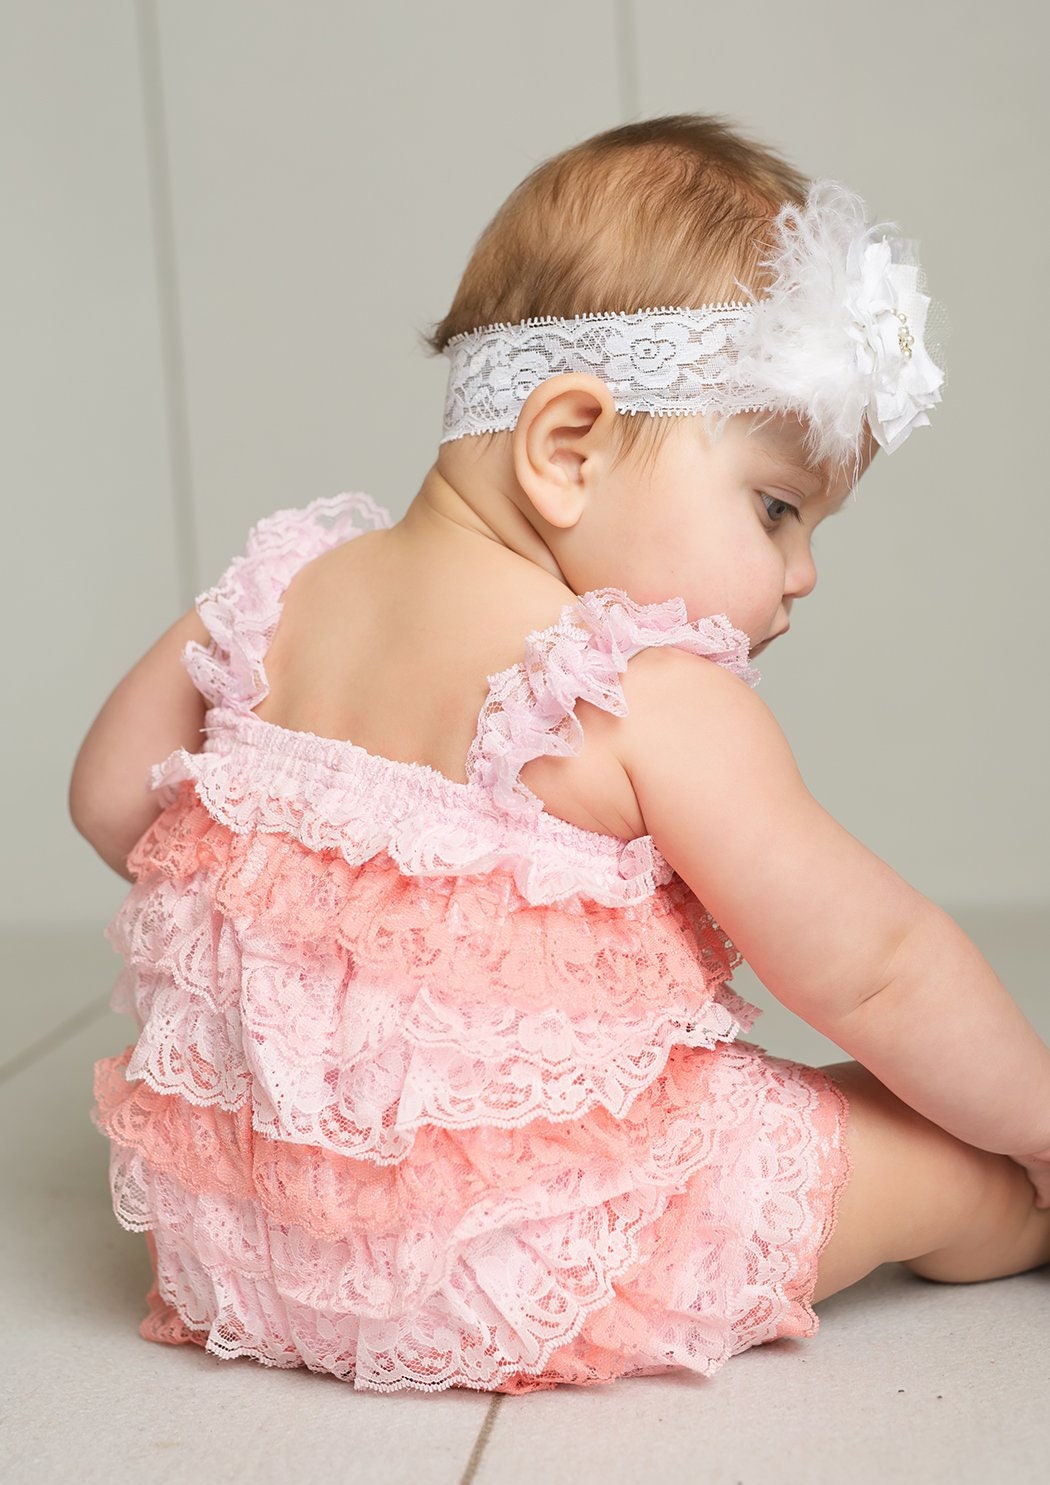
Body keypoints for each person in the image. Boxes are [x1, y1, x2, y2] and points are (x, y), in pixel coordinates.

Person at [71, 114, 1050, 1397]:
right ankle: (1010, 1210)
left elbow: (109, 802)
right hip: (548, 1271)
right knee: (944, 1144)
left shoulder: (277, 592)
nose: (801, 575)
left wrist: (315, 976)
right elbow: (874, 968)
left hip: (248, 1253)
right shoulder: (637, 692)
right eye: (776, 508)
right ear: (567, 448)